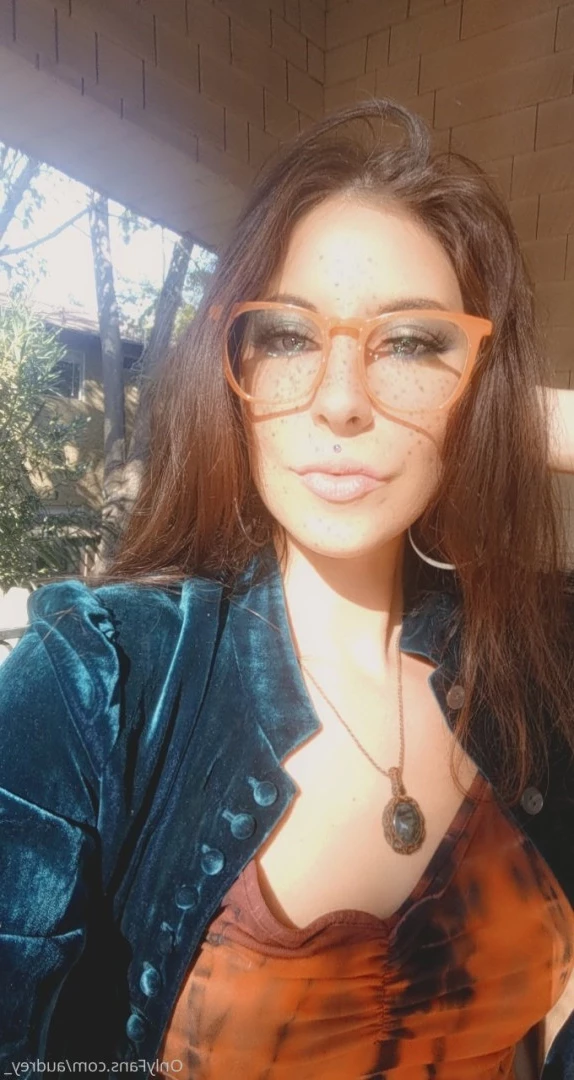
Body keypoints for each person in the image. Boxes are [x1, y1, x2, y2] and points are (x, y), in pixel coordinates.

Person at [1, 99, 573, 1080]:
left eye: (411, 343)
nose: (342, 401)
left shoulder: (532, 653)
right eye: (289, 337)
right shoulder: (103, 681)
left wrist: (516, 421)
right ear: (232, 368)